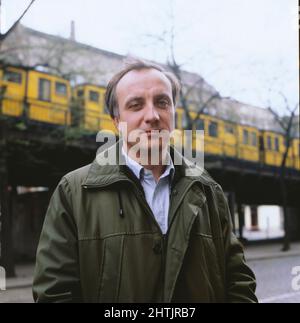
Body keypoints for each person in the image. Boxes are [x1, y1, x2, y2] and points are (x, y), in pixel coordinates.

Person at [33, 59, 257, 303]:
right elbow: (54, 294)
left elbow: (238, 283)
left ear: (173, 113)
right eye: (136, 105)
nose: (152, 116)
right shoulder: (73, 192)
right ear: (116, 122)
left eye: (162, 102)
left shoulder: (208, 191)